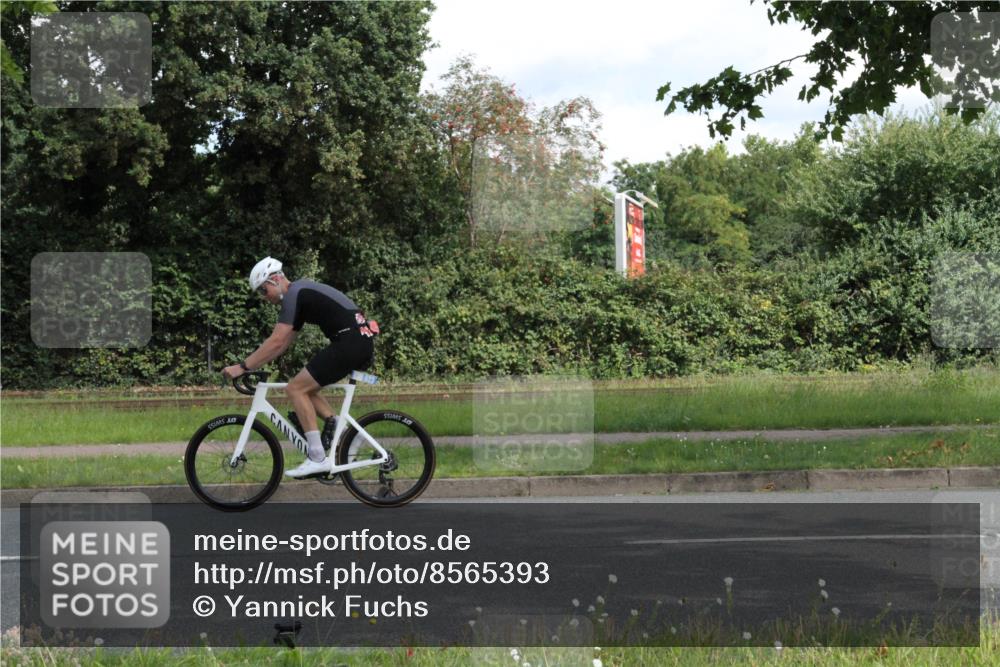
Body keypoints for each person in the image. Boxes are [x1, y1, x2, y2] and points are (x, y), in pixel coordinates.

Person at [222, 257, 378, 478]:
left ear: (275, 280)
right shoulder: (300, 294)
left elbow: (276, 341)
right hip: (354, 341)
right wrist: (251, 365)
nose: (264, 297)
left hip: (350, 342)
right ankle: (346, 433)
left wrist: (242, 366)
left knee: (296, 389)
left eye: (263, 290)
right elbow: (282, 344)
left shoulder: (294, 295)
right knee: (304, 387)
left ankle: (317, 457)